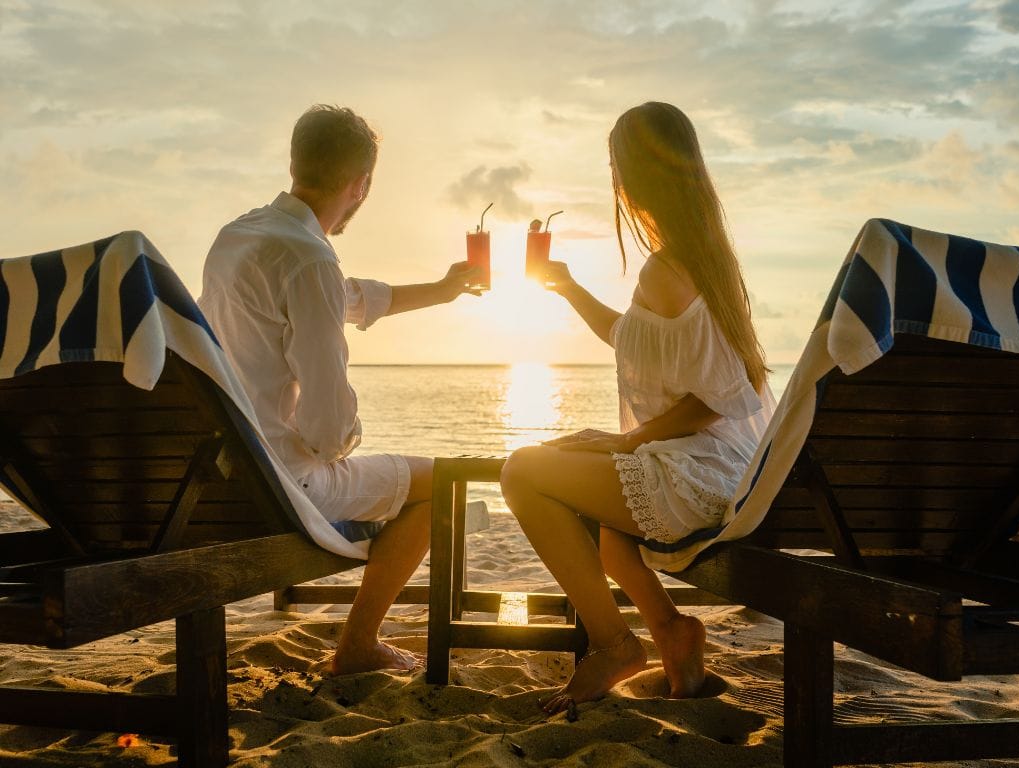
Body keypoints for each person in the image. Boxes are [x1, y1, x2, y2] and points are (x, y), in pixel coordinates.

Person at [500, 102, 775, 712]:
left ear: (629, 177)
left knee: (522, 472)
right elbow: (634, 338)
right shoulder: (702, 259)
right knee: (596, 510)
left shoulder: (668, 267)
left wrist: (631, 440)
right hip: (727, 462)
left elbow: (718, 398)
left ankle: (615, 644)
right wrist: (569, 288)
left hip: (707, 473)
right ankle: (672, 632)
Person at [198, 104, 480, 676]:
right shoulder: (307, 259)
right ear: (361, 185)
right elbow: (326, 433)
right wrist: (350, 436)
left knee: (411, 476)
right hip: (286, 483)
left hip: (229, 470)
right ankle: (358, 646)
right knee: (444, 484)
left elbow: (350, 297)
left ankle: (360, 642)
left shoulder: (240, 236)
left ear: (297, 162)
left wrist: (443, 291)